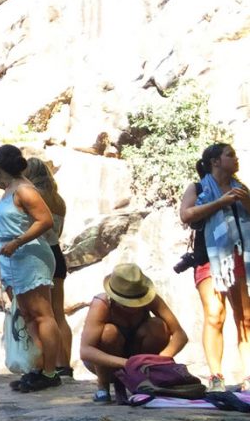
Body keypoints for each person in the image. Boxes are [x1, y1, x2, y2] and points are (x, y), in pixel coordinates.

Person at [177, 143, 250, 391]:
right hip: (210, 257)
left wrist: (245, 202)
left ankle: (249, 376)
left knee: (246, 317)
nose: (235, 158)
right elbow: (186, 215)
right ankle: (216, 377)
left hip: (239, 255)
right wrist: (221, 202)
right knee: (215, 314)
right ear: (215, 161)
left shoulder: (241, 189)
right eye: (230, 155)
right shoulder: (198, 188)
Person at [0, 144, 62, 392]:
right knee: (28, 315)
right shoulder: (9, 188)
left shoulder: (25, 190)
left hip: (29, 255)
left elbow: (45, 221)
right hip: (12, 258)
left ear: (1, 165)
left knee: (43, 313)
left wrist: (18, 241)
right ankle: (37, 366)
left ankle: (52, 371)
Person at [79, 263, 189, 402]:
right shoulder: (102, 303)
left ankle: (148, 379)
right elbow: (86, 350)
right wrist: (128, 363)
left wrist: (159, 360)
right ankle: (103, 386)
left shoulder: (151, 299)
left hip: (140, 358)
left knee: (158, 326)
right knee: (109, 332)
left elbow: (180, 335)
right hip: (108, 361)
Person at [24, 158, 74, 377]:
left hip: (38, 255)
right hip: (56, 252)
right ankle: (65, 364)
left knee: (41, 315)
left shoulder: (32, 198)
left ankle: (45, 365)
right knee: (58, 314)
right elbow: (58, 232)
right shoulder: (58, 200)